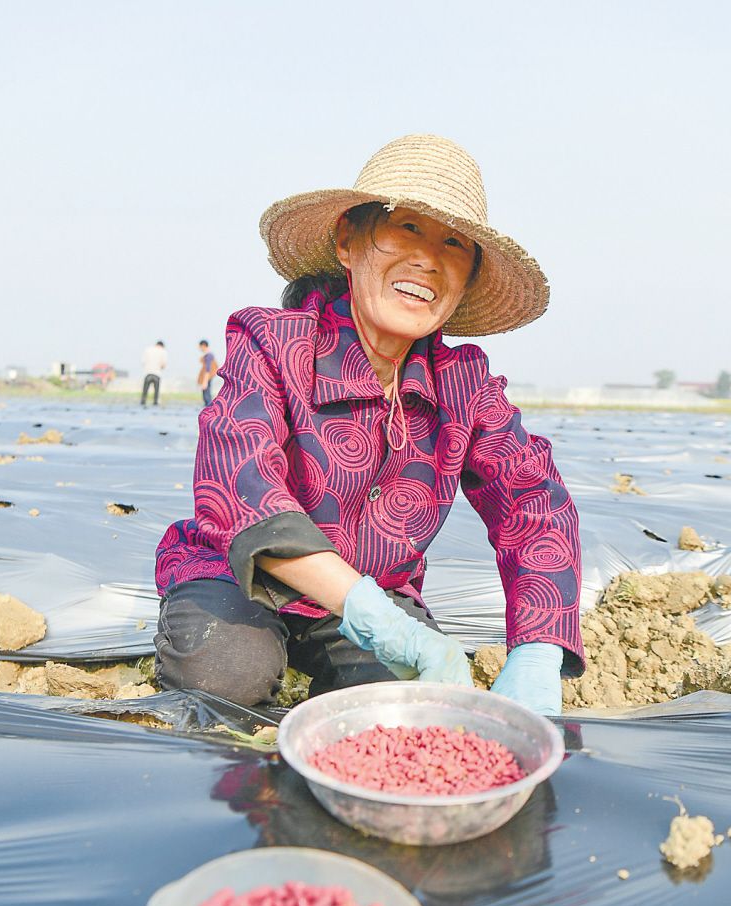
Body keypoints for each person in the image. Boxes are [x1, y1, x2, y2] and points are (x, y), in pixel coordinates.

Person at [154, 134, 584, 714]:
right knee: (225, 673)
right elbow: (241, 487)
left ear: (467, 279)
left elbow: (534, 502)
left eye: (453, 243)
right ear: (347, 242)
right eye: (405, 228)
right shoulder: (274, 343)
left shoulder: (466, 384)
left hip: (379, 595)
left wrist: (537, 650)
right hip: (240, 576)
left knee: (403, 707)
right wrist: (367, 611)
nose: (427, 259)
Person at [141, 340, 167, 406]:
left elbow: (143, 362)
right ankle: (155, 403)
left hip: (148, 373)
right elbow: (163, 365)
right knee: (156, 393)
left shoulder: (147, 350)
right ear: (162, 346)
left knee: (145, 392)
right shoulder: (163, 351)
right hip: (157, 374)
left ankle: (143, 402)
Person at [196, 339, 219, 405]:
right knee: (206, 394)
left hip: (207, 377)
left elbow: (207, 369)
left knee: (206, 395)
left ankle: (208, 409)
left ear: (203, 346)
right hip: (208, 377)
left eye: (200, 346)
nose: (199, 348)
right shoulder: (207, 355)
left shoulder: (208, 355)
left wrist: (205, 381)